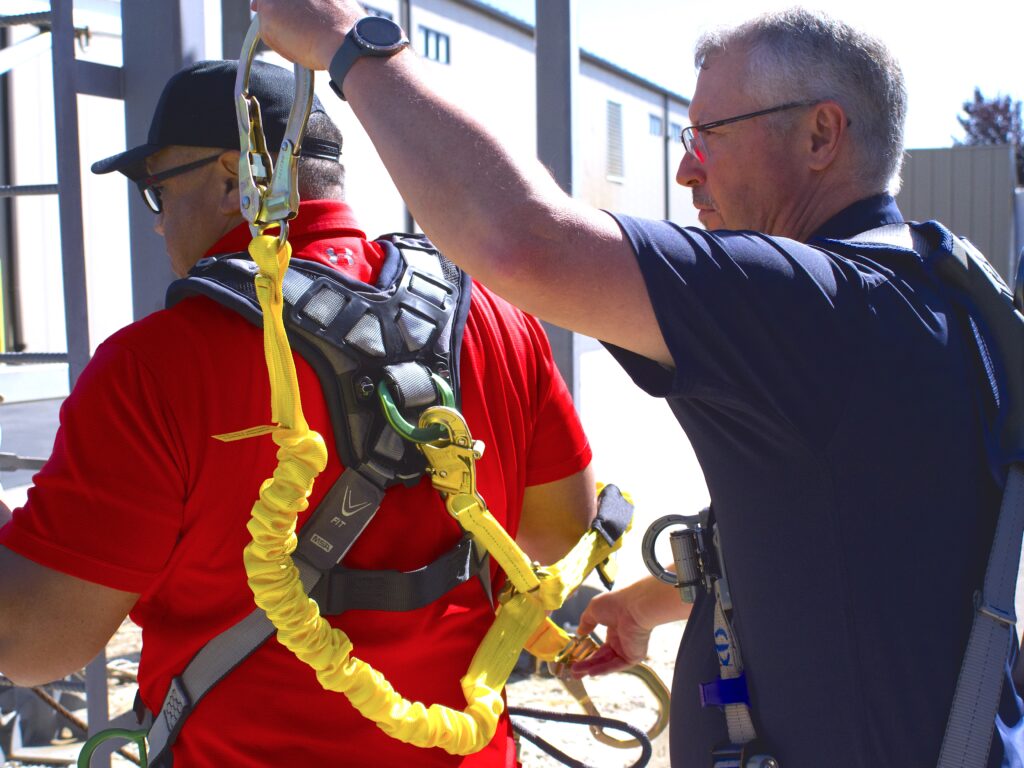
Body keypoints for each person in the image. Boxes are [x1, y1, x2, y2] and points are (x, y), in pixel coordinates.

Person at [251, 3, 1024, 766]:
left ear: (821, 134)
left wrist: (352, 45)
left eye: (709, 136)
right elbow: (864, 532)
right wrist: (657, 601)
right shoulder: (935, 294)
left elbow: (523, 240)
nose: (687, 168)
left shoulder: (819, 307)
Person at [0, 59, 597, 767]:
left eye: (157, 191)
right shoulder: (494, 317)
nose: (158, 227)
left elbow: (35, 645)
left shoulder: (153, 368)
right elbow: (559, 527)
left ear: (233, 176)